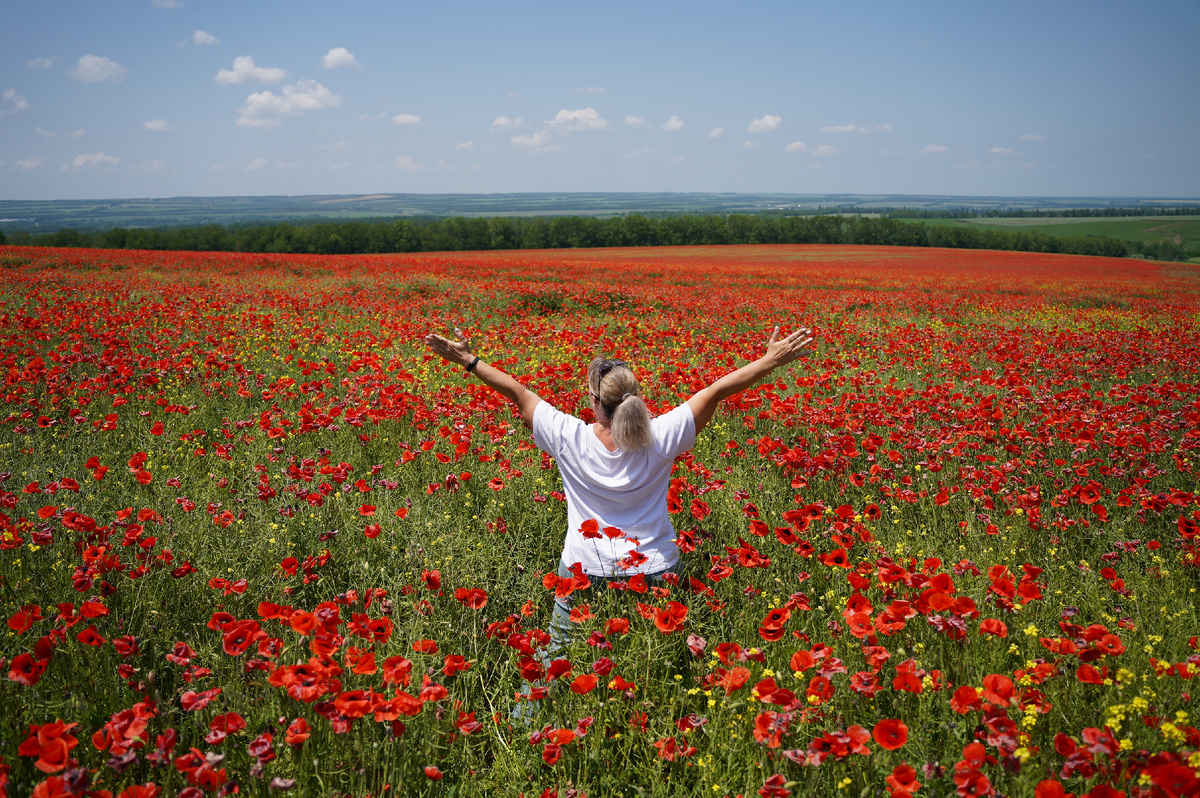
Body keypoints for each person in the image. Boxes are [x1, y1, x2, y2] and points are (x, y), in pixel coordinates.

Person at [423, 324, 813, 712]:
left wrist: (468, 359)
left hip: (583, 569)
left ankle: (526, 728)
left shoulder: (567, 436)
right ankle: (665, 724)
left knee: (553, 664)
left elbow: (516, 391)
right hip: (656, 569)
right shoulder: (662, 436)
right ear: (636, 400)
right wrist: (770, 360)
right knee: (659, 662)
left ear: (595, 402)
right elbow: (717, 390)